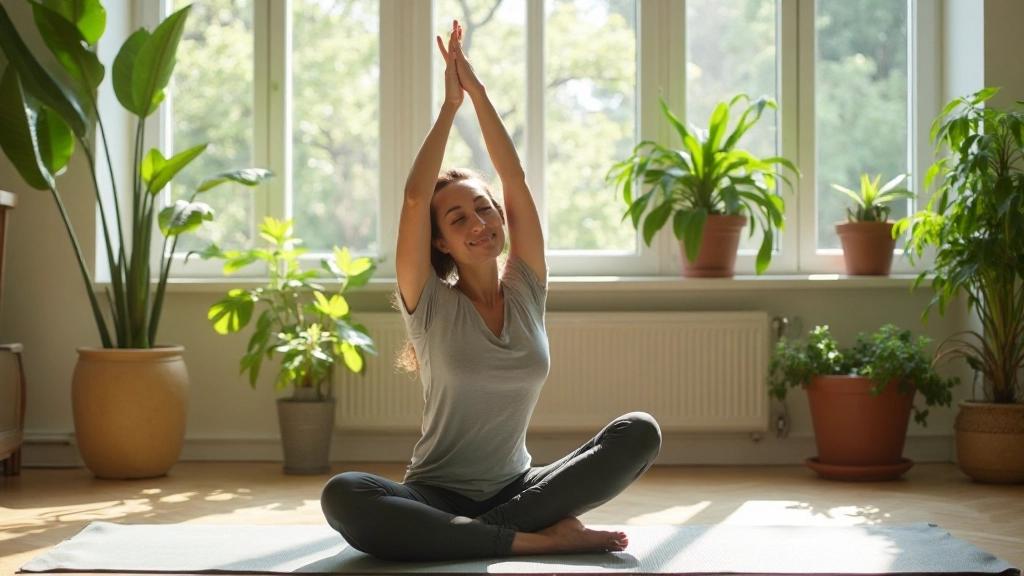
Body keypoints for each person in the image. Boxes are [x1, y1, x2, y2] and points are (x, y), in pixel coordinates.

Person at [320, 20, 661, 562]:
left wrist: (477, 92)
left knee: (640, 432)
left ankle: (462, 536)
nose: (478, 221)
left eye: (483, 207)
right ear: (442, 242)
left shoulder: (527, 286)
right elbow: (413, 200)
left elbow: (515, 178)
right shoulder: (428, 304)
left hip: (520, 489)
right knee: (344, 495)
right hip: (434, 493)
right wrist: (449, 108)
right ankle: (531, 540)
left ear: (500, 215)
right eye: (457, 218)